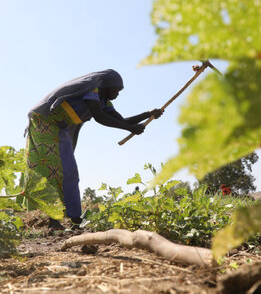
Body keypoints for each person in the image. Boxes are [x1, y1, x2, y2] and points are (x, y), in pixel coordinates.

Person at [25, 69, 163, 230]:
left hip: (59, 126)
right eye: (116, 89)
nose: (118, 93)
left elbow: (120, 120)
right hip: (45, 122)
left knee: (67, 171)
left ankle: (74, 220)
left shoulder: (103, 100)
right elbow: (100, 117)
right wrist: (129, 129)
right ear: (106, 86)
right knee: (59, 169)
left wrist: (148, 114)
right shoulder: (92, 90)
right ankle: (59, 221)